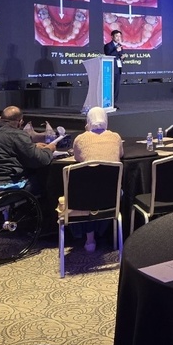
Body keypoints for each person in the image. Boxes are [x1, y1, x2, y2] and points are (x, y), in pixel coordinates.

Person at [69, 106, 123, 251]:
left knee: (87, 194)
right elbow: (121, 154)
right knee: (114, 192)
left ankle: (89, 240)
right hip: (112, 195)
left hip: (84, 198)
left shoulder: (80, 139)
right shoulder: (115, 137)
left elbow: (77, 157)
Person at [0, 106, 56, 192]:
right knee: (43, 181)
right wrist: (49, 149)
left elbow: (1, 146)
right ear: (20, 122)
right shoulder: (17, 134)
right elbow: (39, 160)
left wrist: (33, 146)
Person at [104, 29, 124, 107]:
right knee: (110, 86)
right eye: (116, 36)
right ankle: (108, 101)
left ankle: (114, 102)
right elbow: (108, 55)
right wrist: (116, 50)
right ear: (112, 37)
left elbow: (119, 56)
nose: (118, 38)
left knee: (116, 87)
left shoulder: (120, 46)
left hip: (118, 68)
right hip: (111, 68)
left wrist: (122, 57)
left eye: (119, 36)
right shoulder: (108, 46)